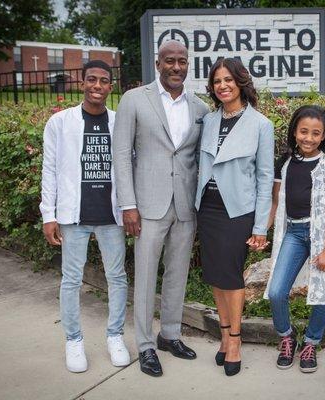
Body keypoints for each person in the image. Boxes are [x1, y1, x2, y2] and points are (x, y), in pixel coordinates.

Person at [112, 40, 210, 377]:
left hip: (185, 206)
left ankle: (169, 334)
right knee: (145, 275)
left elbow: (198, 158)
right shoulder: (134, 100)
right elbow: (122, 154)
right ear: (158, 63)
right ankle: (144, 345)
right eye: (170, 61)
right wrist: (128, 205)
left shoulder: (200, 108)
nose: (177, 67)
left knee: (177, 273)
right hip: (147, 205)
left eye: (182, 61)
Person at [40, 60, 129, 373]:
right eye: (92, 79)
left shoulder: (120, 122)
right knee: (71, 280)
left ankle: (115, 336)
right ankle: (73, 340)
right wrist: (47, 214)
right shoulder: (60, 123)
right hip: (73, 216)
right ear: (82, 82)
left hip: (111, 215)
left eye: (104, 81)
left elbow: (130, 169)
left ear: (110, 86)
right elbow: (49, 169)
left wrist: (131, 208)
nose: (97, 86)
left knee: (116, 278)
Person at [195, 57, 274, 376]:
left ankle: (237, 341)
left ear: (240, 82)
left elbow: (265, 177)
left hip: (237, 210)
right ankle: (225, 335)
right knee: (215, 274)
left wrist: (260, 226)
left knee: (230, 274)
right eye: (217, 81)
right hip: (208, 208)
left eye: (228, 79)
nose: (222, 85)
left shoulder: (261, 124)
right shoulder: (209, 120)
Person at [263, 105, 325, 373]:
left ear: (324, 136)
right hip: (294, 233)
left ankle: (311, 341)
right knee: (276, 291)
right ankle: (287, 336)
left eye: (315, 133)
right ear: (294, 132)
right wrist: (260, 231)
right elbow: (275, 203)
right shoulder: (285, 163)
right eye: (303, 132)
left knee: (322, 291)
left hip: (320, 235)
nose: (308, 138)